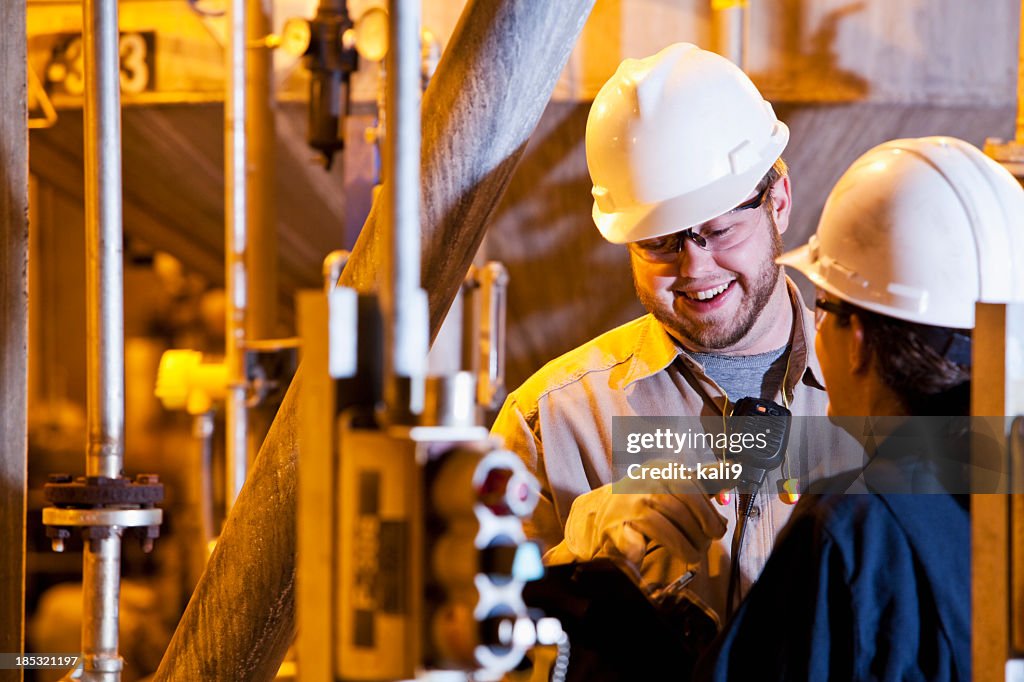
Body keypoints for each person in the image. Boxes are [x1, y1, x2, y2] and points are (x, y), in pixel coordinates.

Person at [491, 42, 857, 621]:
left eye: (718, 228)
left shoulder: (875, 393)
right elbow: (476, 650)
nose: (694, 268)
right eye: (659, 242)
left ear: (778, 202)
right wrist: (578, 571)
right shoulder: (552, 422)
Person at [698, 135, 1024, 680]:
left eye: (824, 309)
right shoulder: (1002, 489)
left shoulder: (850, 525)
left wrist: (627, 600)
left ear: (859, 341)